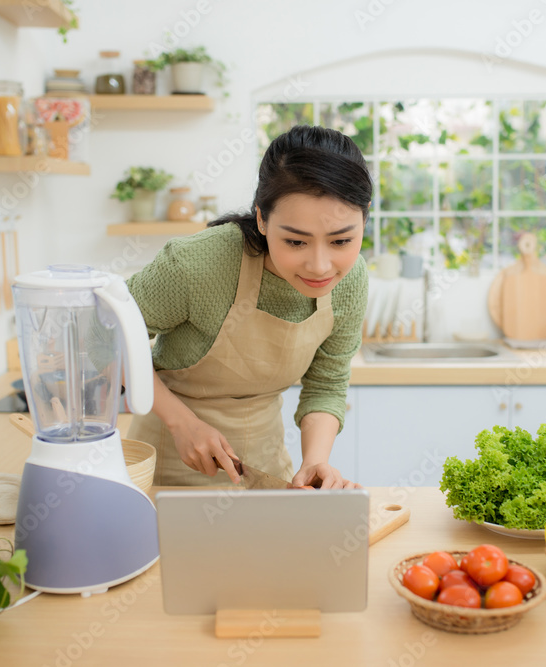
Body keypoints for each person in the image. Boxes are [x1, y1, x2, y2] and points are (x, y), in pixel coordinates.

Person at [126, 125, 371, 489]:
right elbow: (108, 338)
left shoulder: (349, 282)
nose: (320, 266)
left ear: (365, 219)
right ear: (261, 218)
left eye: (341, 240)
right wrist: (182, 423)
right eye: (295, 241)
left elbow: (327, 383)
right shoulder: (199, 264)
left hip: (264, 466)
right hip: (168, 463)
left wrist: (316, 462)